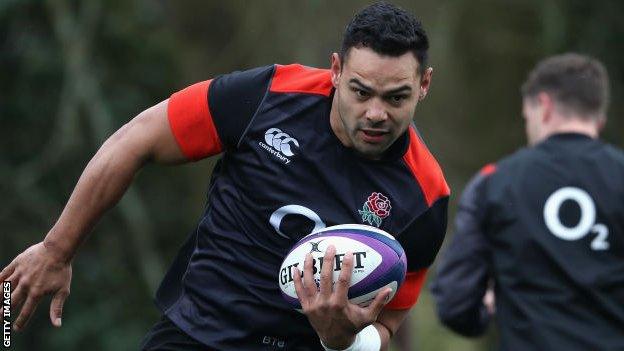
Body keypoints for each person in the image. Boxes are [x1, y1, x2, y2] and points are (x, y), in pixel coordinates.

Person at [1, 2, 450, 350]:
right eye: (360, 91)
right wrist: (57, 249)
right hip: (195, 334)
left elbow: (389, 326)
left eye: (396, 97)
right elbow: (135, 140)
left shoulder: (426, 197)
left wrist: (344, 340)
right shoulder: (265, 97)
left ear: (425, 85)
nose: (375, 113)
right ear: (335, 71)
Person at [431, 53, 624, 350]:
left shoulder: (494, 183)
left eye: (527, 118)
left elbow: (455, 304)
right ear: (599, 117)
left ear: (543, 107)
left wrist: (487, 310)